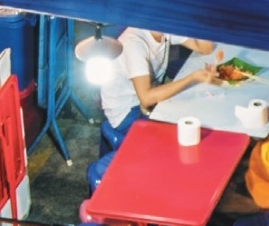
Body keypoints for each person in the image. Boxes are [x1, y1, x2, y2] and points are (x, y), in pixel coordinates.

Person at [90, 27, 218, 179]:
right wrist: (191, 78)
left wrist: (197, 21)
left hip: (145, 100)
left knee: (194, 113)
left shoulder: (164, 27)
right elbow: (146, 98)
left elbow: (205, 48)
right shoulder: (134, 43)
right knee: (184, 135)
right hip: (127, 112)